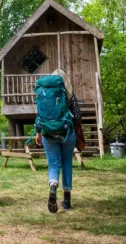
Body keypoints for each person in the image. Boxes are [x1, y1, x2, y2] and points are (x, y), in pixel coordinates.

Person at [35, 69, 86, 213]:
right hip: (67, 133)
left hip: (48, 133)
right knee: (67, 163)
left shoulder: (43, 94)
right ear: (66, 81)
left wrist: (38, 133)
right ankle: (67, 200)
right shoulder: (70, 96)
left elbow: (39, 116)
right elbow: (77, 117)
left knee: (53, 164)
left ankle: (53, 187)